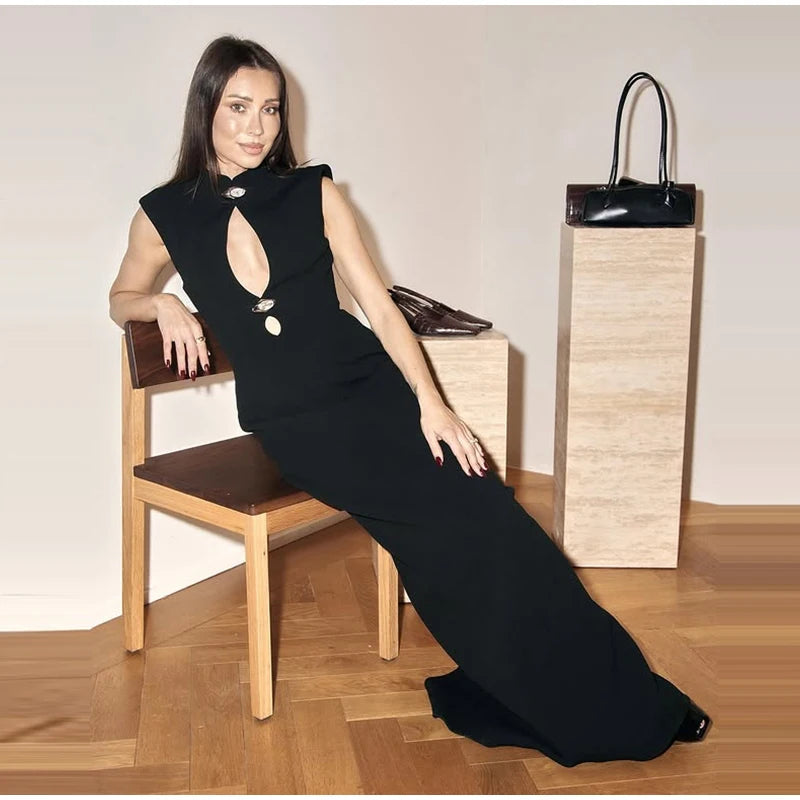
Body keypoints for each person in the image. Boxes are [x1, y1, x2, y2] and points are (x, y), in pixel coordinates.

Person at [109, 35, 712, 767]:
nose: (256, 126)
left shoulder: (314, 192)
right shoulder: (164, 214)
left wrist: (433, 403)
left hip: (373, 390)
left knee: (495, 519)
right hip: (295, 423)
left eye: (270, 109)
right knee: (446, 539)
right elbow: (119, 297)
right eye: (238, 106)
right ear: (205, 107)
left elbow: (380, 308)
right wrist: (157, 304)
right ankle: (575, 695)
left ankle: (623, 695)